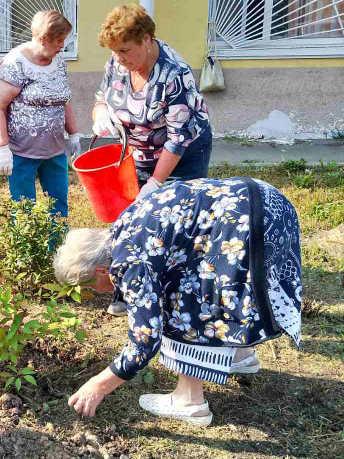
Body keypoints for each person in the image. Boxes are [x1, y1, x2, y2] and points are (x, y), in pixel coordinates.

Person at [53, 177, 302, 426]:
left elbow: (146, 339)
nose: (98, 292)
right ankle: (240, 355)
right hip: (270, 203)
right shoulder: (123, 226)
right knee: (198, 280)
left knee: (182, 306)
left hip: (248, 223)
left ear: (99, 271)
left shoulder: (131, 263)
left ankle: (189, 401)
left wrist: (98, 385)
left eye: (91, 287)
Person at [91, 4, 214, 317]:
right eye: (113, 51)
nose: (119, 58)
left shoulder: (175, 74)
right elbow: (101, 98)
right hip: (137, 150)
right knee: (129, 218)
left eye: (125, 50)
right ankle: (128, 287)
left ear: (147, 40)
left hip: (183, 153)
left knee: (177, 221)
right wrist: (101, 114)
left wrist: (157, 181)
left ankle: (181, 293)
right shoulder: (118, 63)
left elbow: (178, 138)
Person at [0, 10, 80, 220]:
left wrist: (74, 135)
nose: (62, 45)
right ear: (43, 38)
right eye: (59, 40)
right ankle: (26, 252)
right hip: (22, 153)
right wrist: (2, 148)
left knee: (58, 205)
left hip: (55, 152)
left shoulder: (58, 63)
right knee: (24, 210)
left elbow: (63, 100)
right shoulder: (15, 63)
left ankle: (57, 250)